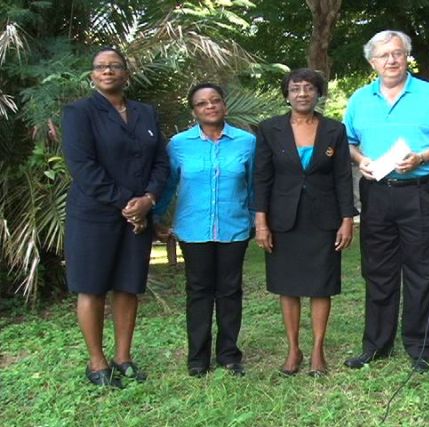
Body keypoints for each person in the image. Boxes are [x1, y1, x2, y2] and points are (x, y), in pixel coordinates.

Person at [343, 30, 429, 373]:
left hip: (422, 192)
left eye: (397, 53)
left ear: (407, 56)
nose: (391, 60)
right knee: (377, 271)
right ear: (372, 62)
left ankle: (421, 347)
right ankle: (376, 345)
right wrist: (359, 159)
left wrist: (422, 157)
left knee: (422, 272)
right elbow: (348, 142)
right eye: (383, 56)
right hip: (377, 192)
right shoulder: (359, 99)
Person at [62, 47, 169, 388]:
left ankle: (123, 357)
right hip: (94, 215)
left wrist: (149, 199)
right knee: (92, 287)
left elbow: (161, 162)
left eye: (115, 66)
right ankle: (97, 363)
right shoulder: (79, 112)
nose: (107, 71)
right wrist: (129, 205)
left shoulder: (145, 113)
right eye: (100, 67)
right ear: (93, 75)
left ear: (126, 74)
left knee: (127, 286)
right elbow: (82, 166)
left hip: (138, 214)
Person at [254, 68, 356, 377]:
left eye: (309, 88)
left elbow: (342, 177)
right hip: (283, 219)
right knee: (288, 286)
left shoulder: (334, 130)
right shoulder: (270, 129)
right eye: (295, 88)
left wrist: (347, 219)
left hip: (323, 219)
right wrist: (261, 221)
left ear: (318, 93)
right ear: (287, 94)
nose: (302, 94)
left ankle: (317, 351)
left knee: (321, 286)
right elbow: (261, 177)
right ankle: (293, 349)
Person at [153, 83, 256, 377]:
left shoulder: (247, 142)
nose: (209, 106)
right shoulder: (179, 144)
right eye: (202, 103)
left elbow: (255, 185)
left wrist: (254, 219)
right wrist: (156, 218)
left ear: (224, 105)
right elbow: (169, 184)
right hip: (193, 230)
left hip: (234, 229)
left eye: (215, 101)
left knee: (230, 291)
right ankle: (197, 358)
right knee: (198, 292)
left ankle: (229, 355)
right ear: (194, 111)